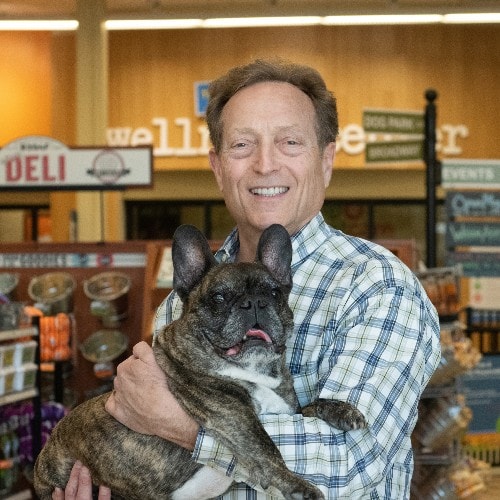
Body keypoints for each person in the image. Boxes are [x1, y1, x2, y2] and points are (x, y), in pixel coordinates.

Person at [53, 58, 441, 499]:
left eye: (290, 142)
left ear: (326, 160)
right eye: (242, 145)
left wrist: (184, 427)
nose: (265, 164)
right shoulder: (187, 300)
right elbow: (156, 466)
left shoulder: (377, 287)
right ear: (218, 167)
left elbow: (348, 463)